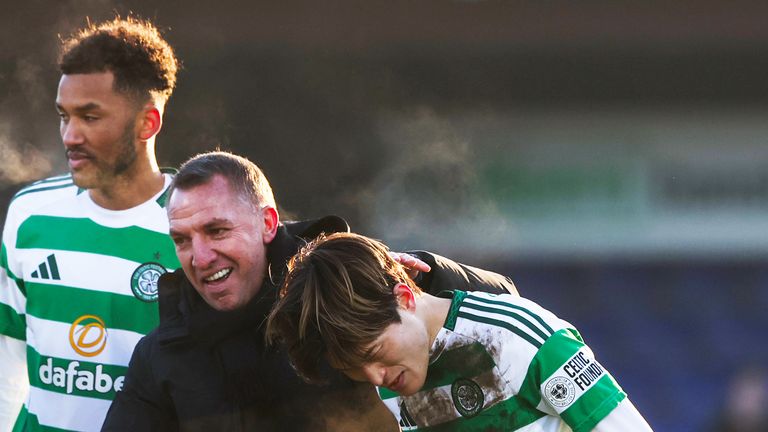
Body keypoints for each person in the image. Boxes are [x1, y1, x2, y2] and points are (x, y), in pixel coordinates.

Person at [102, 151, 518, 431]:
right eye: (182, 240)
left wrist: (429, 281)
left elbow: (508, 305)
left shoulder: (350, 293)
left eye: (217, 231)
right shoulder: (165, 352)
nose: (200, 255)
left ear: (267, 223)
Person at [266, 232, 655, 431]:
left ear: (404, 297)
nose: (374, 378)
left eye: (373, 352)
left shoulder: (516, 337)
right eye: (353, 369)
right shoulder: (394, 384)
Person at [0, 17, 180, 431]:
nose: (69, 135)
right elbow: (8, 358)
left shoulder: (195, 228)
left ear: (147, 123)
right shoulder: (30, 214)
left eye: (90, 117)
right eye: (65, 116)